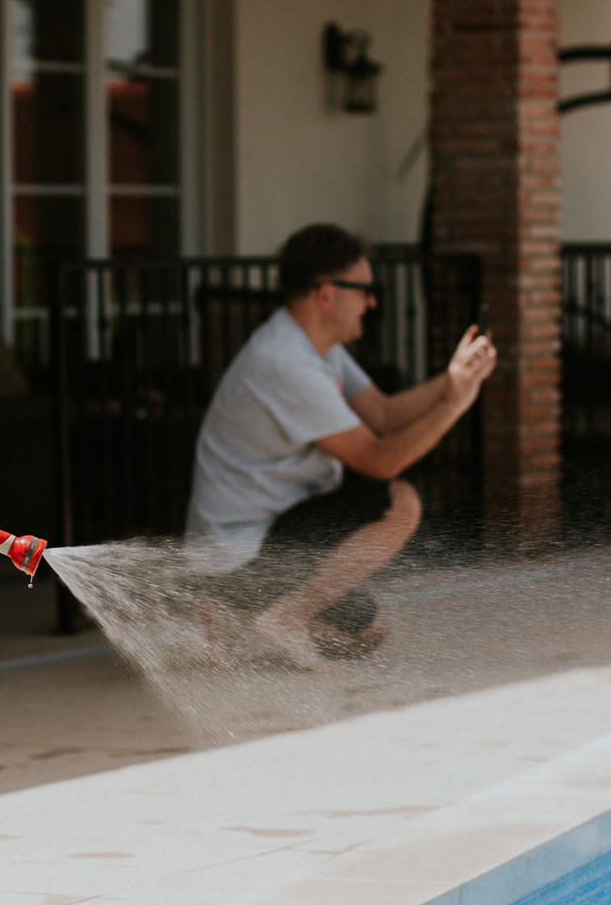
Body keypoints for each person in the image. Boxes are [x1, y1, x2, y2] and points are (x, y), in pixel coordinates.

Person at [186, 223, 496, 669]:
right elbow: (380, 459)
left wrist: (455, 378)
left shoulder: (313, 345)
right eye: (363, 290)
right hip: (244, 549)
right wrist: (456, 402)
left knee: (370, 634)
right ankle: (284, 615)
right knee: (399, 502)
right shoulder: (286, 362)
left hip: (267, 536)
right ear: (325, 293)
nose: (372, 302)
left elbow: (384, 413)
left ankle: (234, 608)